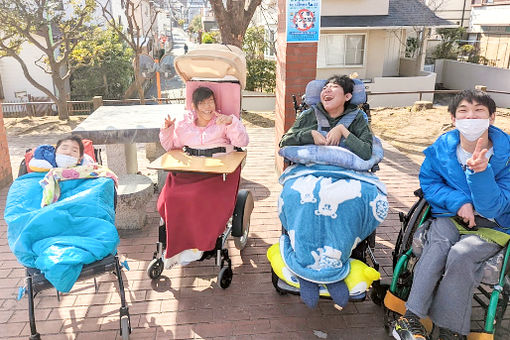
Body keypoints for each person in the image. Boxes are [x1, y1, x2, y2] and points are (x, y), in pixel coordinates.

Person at [393, 90, 510, 340]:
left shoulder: (507, 156)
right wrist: (459, 202)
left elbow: (494, 207)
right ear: (453, 119)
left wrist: (481, 173)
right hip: (449, 217)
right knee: (437, 246)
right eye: (463, 111)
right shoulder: (441, 150)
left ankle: (449, 330)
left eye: (479, 111)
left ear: (492, 118)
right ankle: (410, 319)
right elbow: (430, 183)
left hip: (494, 224)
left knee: (461, 255)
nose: (471, 117)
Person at [157, 86, 249, 267]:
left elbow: (242, 142)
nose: (208, 106)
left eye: (211, 101)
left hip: (218, 171)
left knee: (196, 196)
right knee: (172, 196)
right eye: (203, 103)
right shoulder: (184, 124)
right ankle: (178, 246)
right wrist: (167, 130)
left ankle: (196, 247)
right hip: (191, 170)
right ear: (194, 106)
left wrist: (232, 122)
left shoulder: (223, 120)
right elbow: (172, 147)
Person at [280, 74, 373, 160]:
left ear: (347, 96)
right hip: (312, 171)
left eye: (334, 87)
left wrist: (342, 130)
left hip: (347, 171)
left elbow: (366, 153)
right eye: (324, 88)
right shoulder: (309, 115)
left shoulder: (357, 117)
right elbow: (284, 141)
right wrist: (310, 135)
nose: (327, 90)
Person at [28, 135, 95, 171]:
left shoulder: (87, 171)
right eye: (64, 148)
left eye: (74, 150)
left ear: (80, 158)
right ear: (56, 151)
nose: (68, 152)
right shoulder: (42, 164)